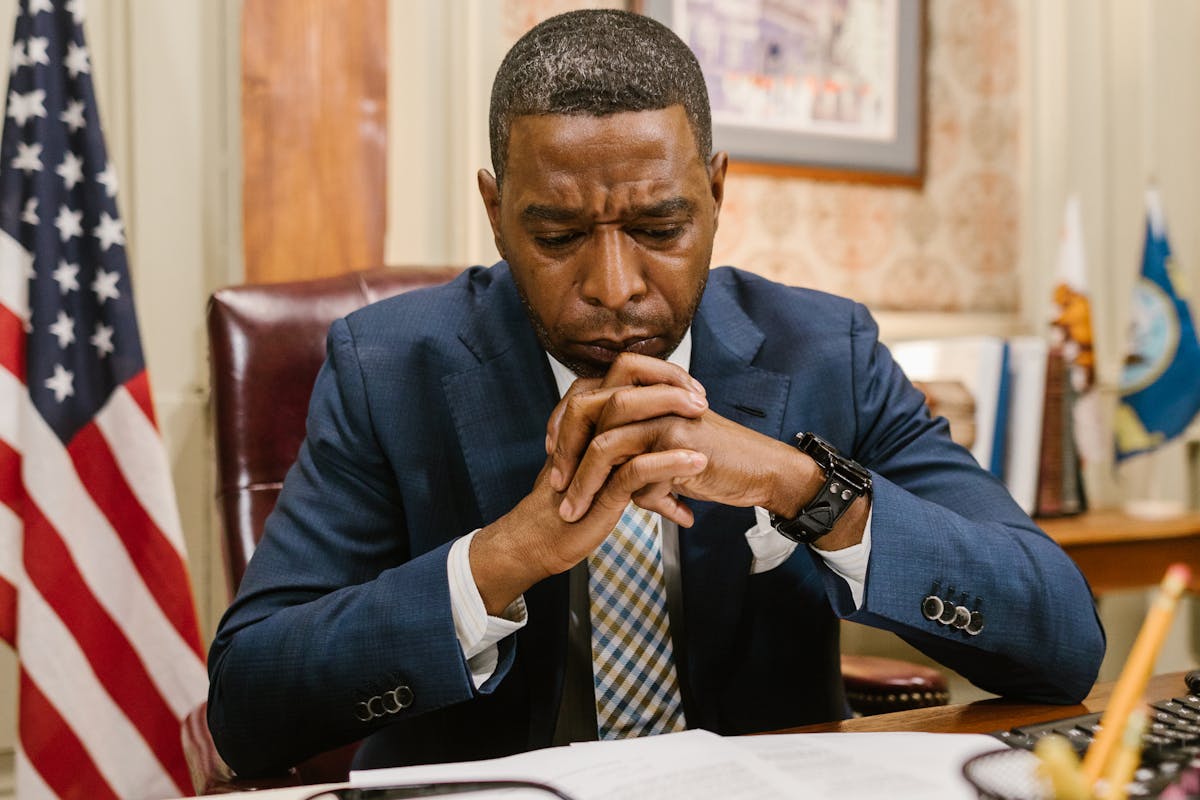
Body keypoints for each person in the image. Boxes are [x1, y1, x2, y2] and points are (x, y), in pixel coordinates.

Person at [206, 9, 1105, 778]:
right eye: (557, 233)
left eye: (659, 226)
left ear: (716, 193)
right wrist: (508, 555)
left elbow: (1064, 642)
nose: (614, 285)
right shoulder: (387, 368)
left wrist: (800, 488)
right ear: (494, 210)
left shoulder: (827, 352)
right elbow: (248, 709)